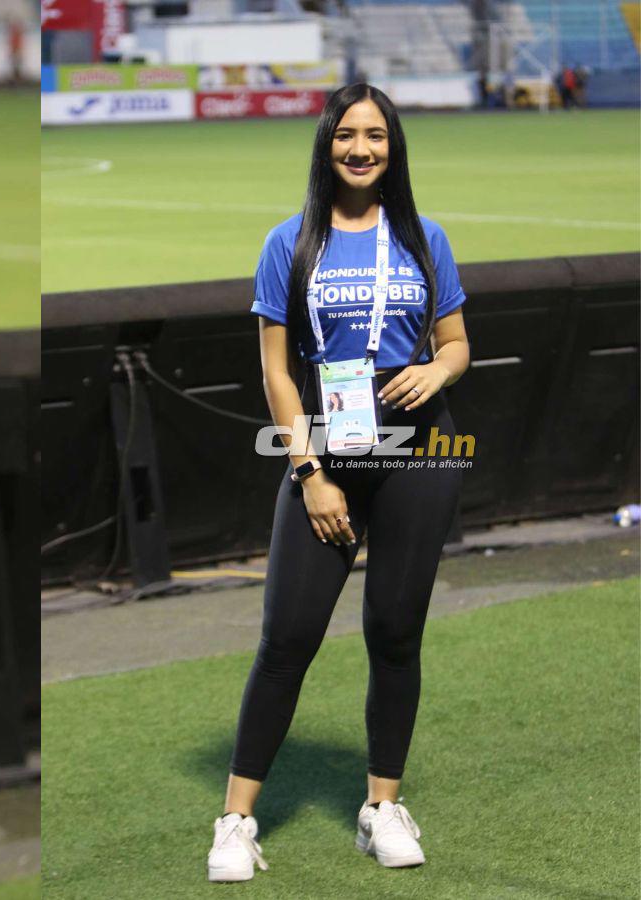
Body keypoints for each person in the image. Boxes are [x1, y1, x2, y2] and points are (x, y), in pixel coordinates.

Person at [207, 83, 470, 882]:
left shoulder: (424, 236)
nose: (361, 149)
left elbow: (457, 342)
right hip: (327, 446)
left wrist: (437, 371)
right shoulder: (289, 242)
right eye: (347, 135)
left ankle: (381, 808)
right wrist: (311, 473)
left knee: (395, 631)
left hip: (422, 448)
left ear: (394, 148)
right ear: (327, 145)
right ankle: (235, 820)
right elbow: (276, 373)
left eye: (376, 136)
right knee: (287, 638)